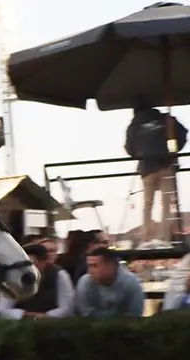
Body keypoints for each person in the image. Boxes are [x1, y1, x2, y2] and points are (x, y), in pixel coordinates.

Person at [125, 97, 187, 246]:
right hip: (166, 164)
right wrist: (174, 150)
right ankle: (163, 238)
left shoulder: (134, 126)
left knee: (148, 204)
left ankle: (147, 238)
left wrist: (141, 153)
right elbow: (183, 133)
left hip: (147, 168)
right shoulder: (166, 119)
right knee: (166, 203)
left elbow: (129, 149)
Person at [0, 243, 75, 319]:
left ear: (44, 262)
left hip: (53, 323)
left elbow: (67, 308)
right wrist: (23, 315)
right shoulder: (15, 277)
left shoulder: (59, 275)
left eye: (32, 263)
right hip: (22, 323)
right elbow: (2, 309)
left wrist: (46, 315)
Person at [75, 247, 145, 318]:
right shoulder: (85, 283)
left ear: (111, 266)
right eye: (89, 266)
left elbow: (135, 316)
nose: (90, 271)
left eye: (95, 266)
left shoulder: (131, 283)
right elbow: (85, 315)